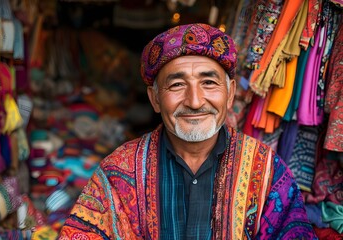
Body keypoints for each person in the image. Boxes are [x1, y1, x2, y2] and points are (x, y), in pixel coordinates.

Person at [58, 23, 317, 239]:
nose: (195, 101)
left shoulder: (266, 170)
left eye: (208, 83)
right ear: (155, 99)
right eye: (177, 84)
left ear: (230, 95)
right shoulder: (119, 171)